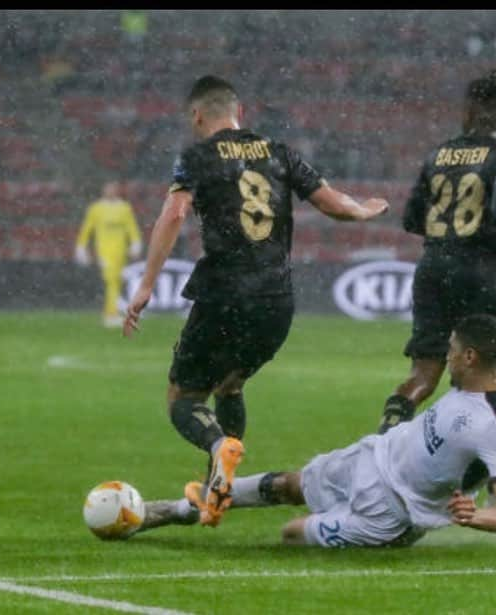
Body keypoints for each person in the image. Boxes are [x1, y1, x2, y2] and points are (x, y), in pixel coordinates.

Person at [132, 292, 496, 547]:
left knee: (291, 532)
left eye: (450, 349)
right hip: (376, 455)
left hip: (390, 511)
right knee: (287, 484)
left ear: (470, 357)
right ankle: (182, 510)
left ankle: (202, 508)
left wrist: (472, 519)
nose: (444, 354)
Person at [122, 75, 389, 527]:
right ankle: (215, 490)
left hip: (224, 294)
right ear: (239, 112)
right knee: (230, 385)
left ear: (197, 116)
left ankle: (216, 447)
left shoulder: (196, 157)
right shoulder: (279, 151)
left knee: (182, 398)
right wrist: (363, 208)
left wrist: (147, 283)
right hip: (276, 299)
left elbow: (174, 213)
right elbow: (334, 205)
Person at [377, 68, 496, 435]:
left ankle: (384, 441)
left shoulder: (437, 155)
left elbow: (410, 219)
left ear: (466, 111)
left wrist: (446, 234)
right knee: (486, 374)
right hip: (480, 272)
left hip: (433, 269)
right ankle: (481, 470)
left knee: (422, 374)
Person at [75, 180, 142, 327]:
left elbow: (131, 227)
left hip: (120, 251)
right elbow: (87, 229)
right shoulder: (96, 209)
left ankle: (110, 312)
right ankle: (111, 315)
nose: (111, 192)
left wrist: (135, 244)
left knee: (116, 281)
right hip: (104, 251)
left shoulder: (124, 208)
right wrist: (81, 247)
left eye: (113, 189)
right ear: (103, 191)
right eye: (108, 189)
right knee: (111, 280)